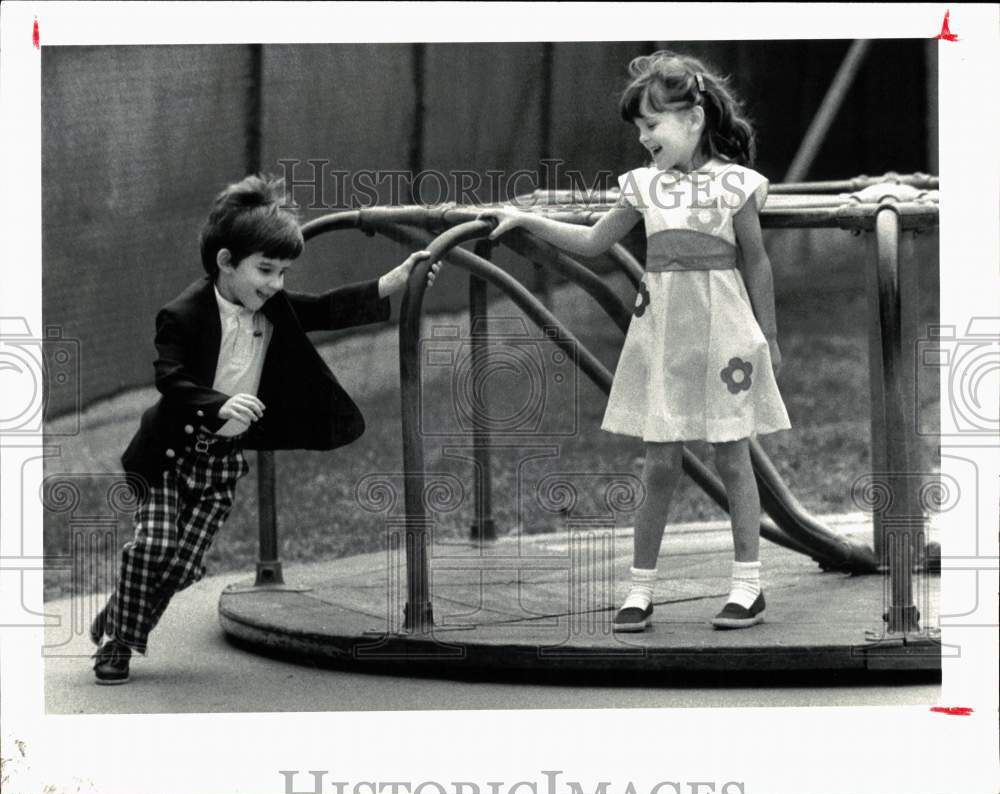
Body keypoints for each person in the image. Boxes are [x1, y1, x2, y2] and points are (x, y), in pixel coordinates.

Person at [481, 51, 789, 632]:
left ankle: (748, 585)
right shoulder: (643, 186)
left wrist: (768, 335)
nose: (644, 137)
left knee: (732, 455)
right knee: (659, 463)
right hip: (664, 336)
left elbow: (757, 261)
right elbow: (595, 241)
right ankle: (639, 588)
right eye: (639, 128)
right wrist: (529, 222)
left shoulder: (736, 184)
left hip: (725, 335)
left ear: (694, 118)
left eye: (653, 124)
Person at [91, 174, 440, 683]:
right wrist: (220, 402)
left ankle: (118, 614)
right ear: (226, 263)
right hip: (168, 457)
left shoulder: (271, 306)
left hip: (222, 463)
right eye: (266, 270)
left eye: (283, 272)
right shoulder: (184, 314)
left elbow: (324, 309)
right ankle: (119, 643)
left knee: (184, 567)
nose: (276, 284)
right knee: (153, 549)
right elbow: (170, 379)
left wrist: (393, 282)